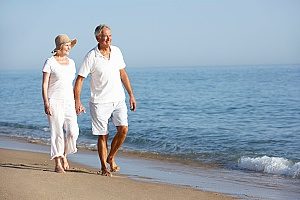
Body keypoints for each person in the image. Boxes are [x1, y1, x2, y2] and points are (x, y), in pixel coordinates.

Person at [74, 24, 136, 177]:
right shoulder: (91, 56)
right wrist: (77, 101)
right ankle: (104, 167)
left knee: (123, 129)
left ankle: (111, 157)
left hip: (118, 99)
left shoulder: (117, 51)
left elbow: (123, 74)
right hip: (99, 102)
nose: (108, 38)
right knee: (103, 135)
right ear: (97, 38)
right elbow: (80, 80)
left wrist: (131, 95)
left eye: (109, 35)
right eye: (104, 36)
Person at [42, 34, 79, 173]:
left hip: (69, 101)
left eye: (70, 45)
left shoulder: (72, 63)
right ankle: (58, 162)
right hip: (54, 101)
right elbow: (45, 84)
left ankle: (64, 154)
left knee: (73, 132)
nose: (69, 47)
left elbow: (72, 84)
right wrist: (46, 103)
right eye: (67, 45)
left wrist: (77, 102)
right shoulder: (50, 62)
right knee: (57, 132)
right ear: (59, 47)